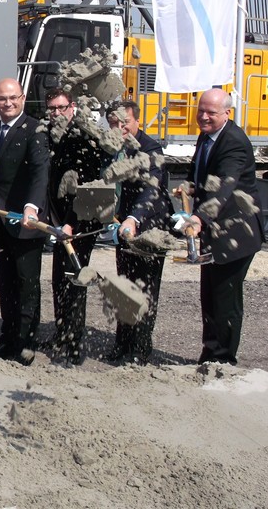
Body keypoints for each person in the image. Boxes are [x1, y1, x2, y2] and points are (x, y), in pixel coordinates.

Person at [177, 89, 264, 364]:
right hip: (214, 231)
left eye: (211, 113)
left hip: (236, 233)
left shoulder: (234, 142)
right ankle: (209, 355)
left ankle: (224, 361)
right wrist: (189, 186)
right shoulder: (207, 135)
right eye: (200, 110)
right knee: (210, 296)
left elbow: (224, 187)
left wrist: (199, 218)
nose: (203, 117)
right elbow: (200, 172)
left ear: (227, 113)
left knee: (225, 300)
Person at [0, 78, 49, 365]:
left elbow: (40, 173)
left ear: (22, 98)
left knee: (26, 285)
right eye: (2, 99)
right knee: (5, 285)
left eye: (13, 98)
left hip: (25, 223)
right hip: (0, 222)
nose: (8, 103)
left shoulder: (35, 130)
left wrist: (32, 208)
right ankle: (7, 339)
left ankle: (25, 344)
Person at [43, 87, 109, 365]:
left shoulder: (84, 137)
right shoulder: (51, 136)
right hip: (58, 221)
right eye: (52, 109)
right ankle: (62, 332)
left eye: (61, 108)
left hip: (80, 223)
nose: (57, 113)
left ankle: (73, 344)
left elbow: (91, 188)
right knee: (59, 279)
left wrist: (70, 223)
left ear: (73, 107)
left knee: (75, 279)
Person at [106, 100, 172, 364]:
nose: (119, 128)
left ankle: (140, 349)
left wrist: (133, 218)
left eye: (125, 123)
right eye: (113, 123)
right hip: (122, 228)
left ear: (136, 122)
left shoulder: (150, 148)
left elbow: (151, 190)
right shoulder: (111, 147)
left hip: (148, 229)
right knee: (124, 286)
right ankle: (123, 344)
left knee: (144, 289)